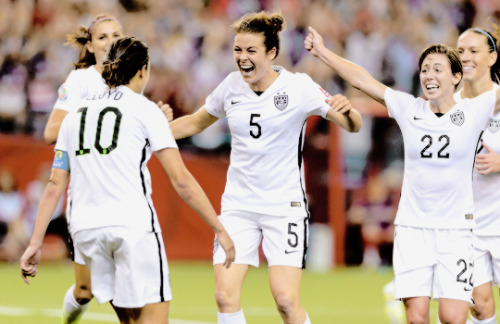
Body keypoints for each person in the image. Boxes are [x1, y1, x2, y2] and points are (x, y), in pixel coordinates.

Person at [20, 36, 235, 324]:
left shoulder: (74, 115)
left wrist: (34, 243)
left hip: (86, 231)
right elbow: (181, 180)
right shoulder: (144, 109)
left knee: (129, 321)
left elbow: (54, 184)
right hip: (131, 228)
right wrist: (219, 228)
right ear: (143, 70)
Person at [167, 11, 361, 324]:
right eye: (237, 50)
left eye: (250, 51)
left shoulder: (298, 87)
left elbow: (352, 125)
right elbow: (195, 122)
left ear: (271, 53)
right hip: (238, 207)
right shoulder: (230, 86)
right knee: (224, 296)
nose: (242, 58)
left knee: (285, 301)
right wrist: (151, 131)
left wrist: (348, 112)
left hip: (283, 207)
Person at [304, 27, 500, 324]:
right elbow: (362, 80)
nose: (429, 76)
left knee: (453, 317)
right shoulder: (409, 109)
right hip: (412, 229)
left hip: (457, 233)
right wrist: (322, 52)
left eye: (438, 69)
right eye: (424, 70)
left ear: (456, 77)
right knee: (417, 317)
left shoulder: (475, 110)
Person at [44, 14, 174, 324]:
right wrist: (90, 114)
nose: (111, 41)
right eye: (102, 36)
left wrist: (155, 118)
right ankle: (68, 316)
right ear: (89, 46)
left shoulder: (129, 81)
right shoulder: (81, 81)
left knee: (125, 302)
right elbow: (51, 132)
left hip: (118, 195)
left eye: (116, 34)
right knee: (85, 290)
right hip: (87, 193)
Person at [455, 23, 500, 324]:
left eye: (473, 51)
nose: (465, 57)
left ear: (492, 58)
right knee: (481, 306)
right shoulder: (448, 105)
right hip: (466, 227)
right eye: (460, 51)